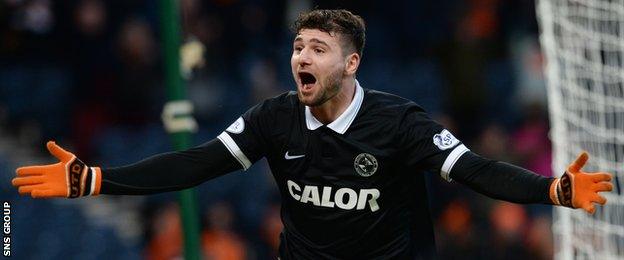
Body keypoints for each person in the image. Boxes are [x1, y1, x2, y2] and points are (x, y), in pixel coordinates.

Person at [12, 9, 613, 259]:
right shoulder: (274, 117)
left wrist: (549, 192)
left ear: (351, 65)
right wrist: (97, 179)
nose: (302, 56)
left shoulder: (399, 121)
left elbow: (476, 170)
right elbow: (195, 164)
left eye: (319, 48)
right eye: (298, 45)